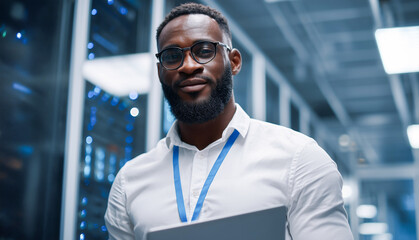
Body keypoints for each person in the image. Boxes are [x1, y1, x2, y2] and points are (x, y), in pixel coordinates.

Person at [105, 3, 353, 240]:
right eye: (172, 56)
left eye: (203, 51)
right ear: (160, 72)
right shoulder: (130, 181)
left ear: (233, 62)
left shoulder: (299, 160)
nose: (188, 66)